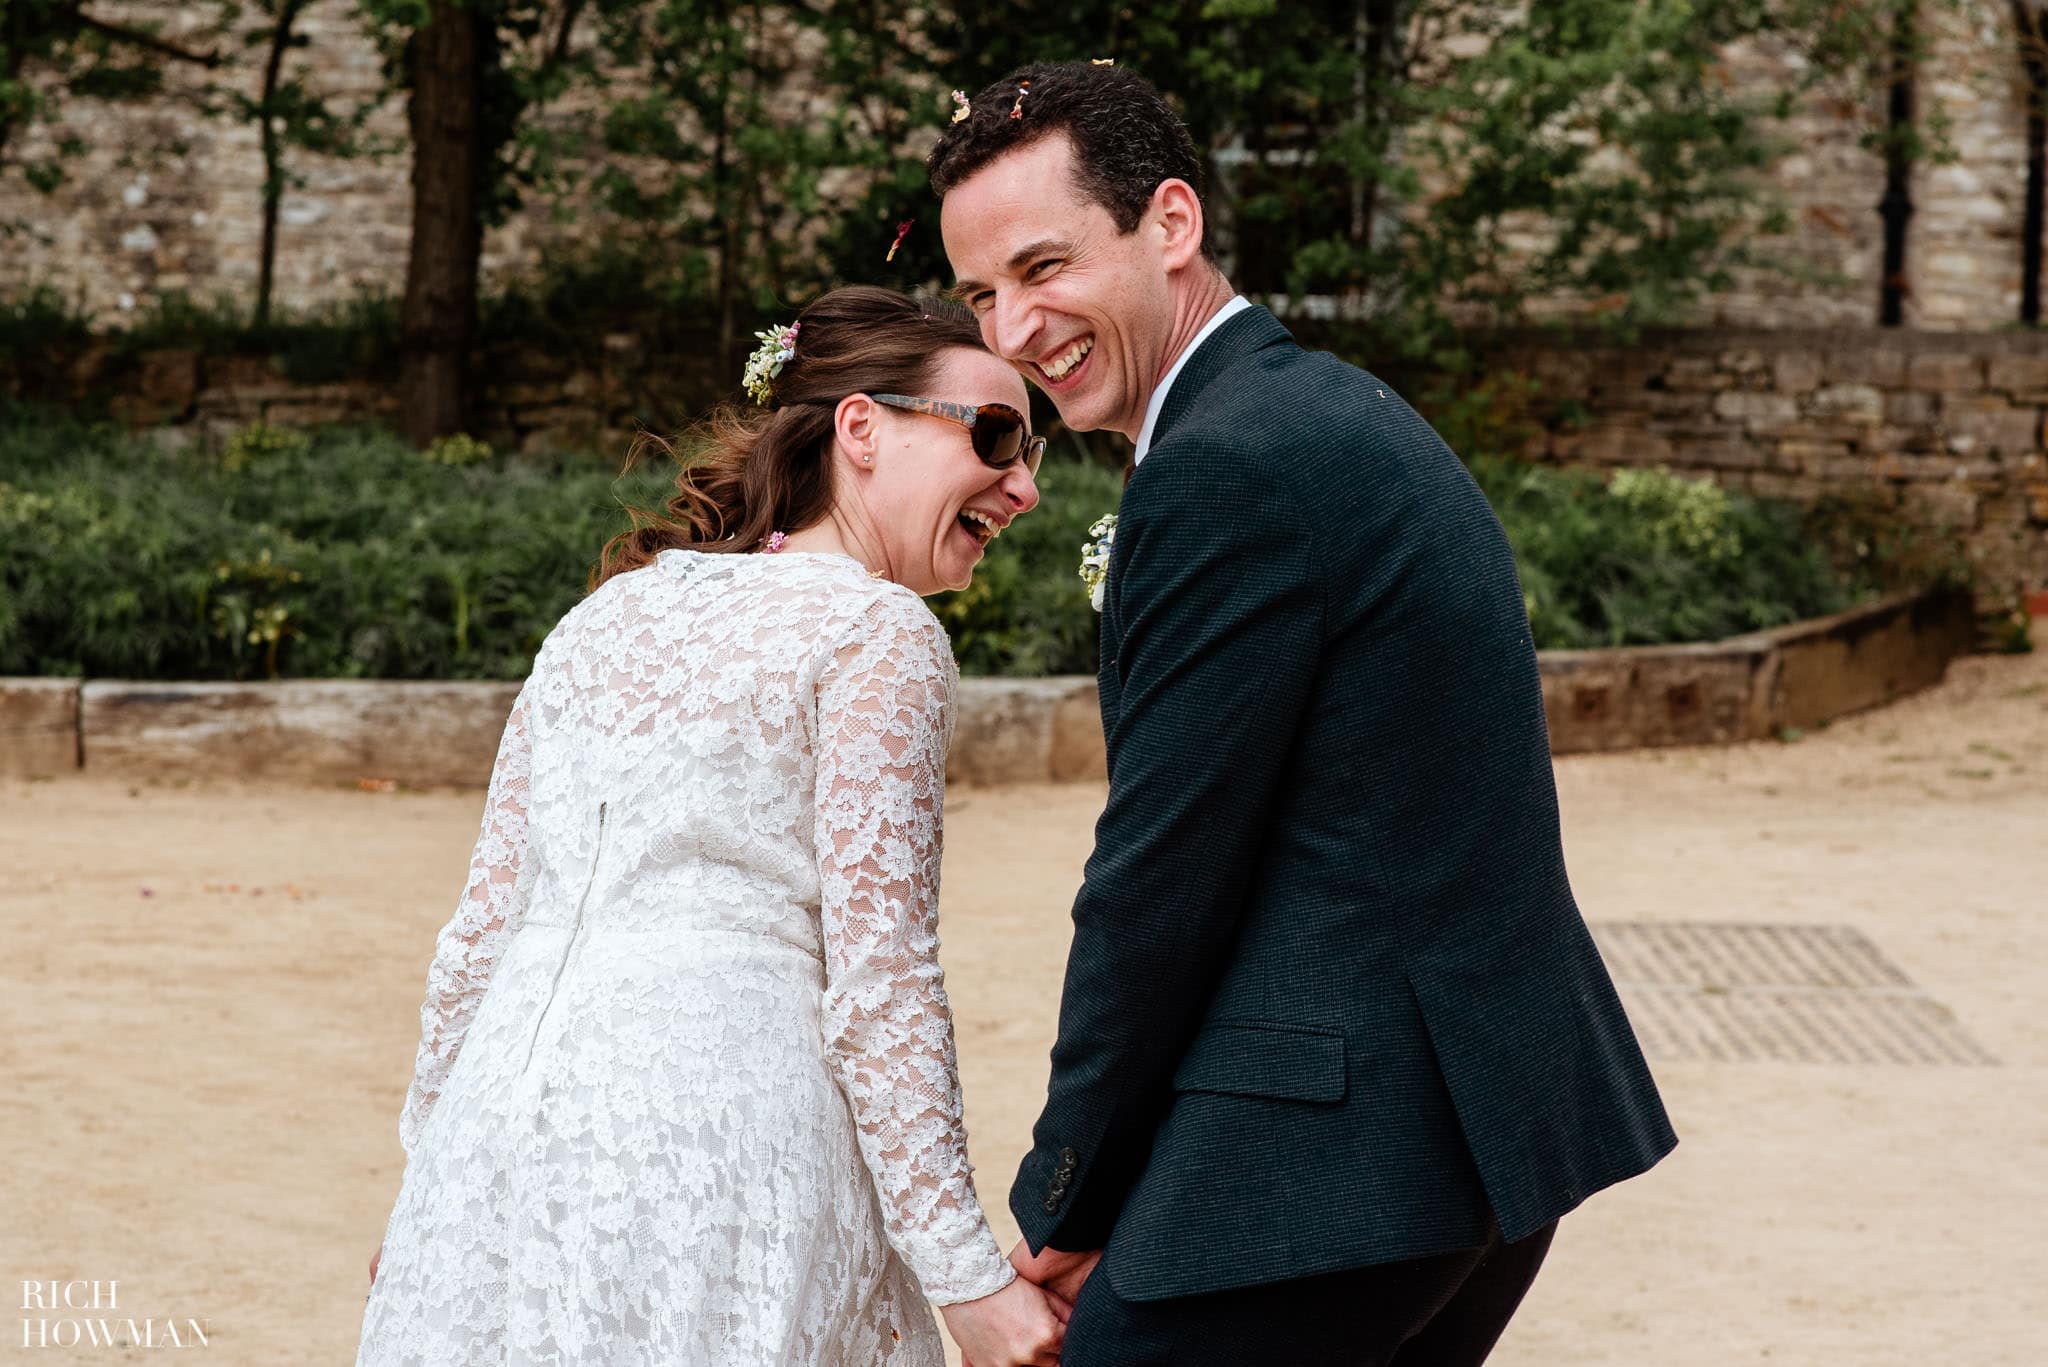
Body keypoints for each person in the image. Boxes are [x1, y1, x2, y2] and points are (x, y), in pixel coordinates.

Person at [930, 62, 1679, 1367]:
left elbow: (1160, 876)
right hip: (1469, 1134)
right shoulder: (1323, 408)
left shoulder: (1225, 466)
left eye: (1044, 267)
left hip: (1333, 1160)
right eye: (983, 293)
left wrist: (1068, 1195)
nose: (1013, 328)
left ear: (1171, 224)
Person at [356, 286, 1065, 1367]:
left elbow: (480, 935)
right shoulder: (880, 631)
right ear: (860, 428)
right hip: (721, 1149)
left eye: (1034, 449)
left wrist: (434, 1177)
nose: (1021, 483)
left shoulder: (604, 615)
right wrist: (963, 1274)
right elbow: (882, 985)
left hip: (501, 1138)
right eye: (996, 433)